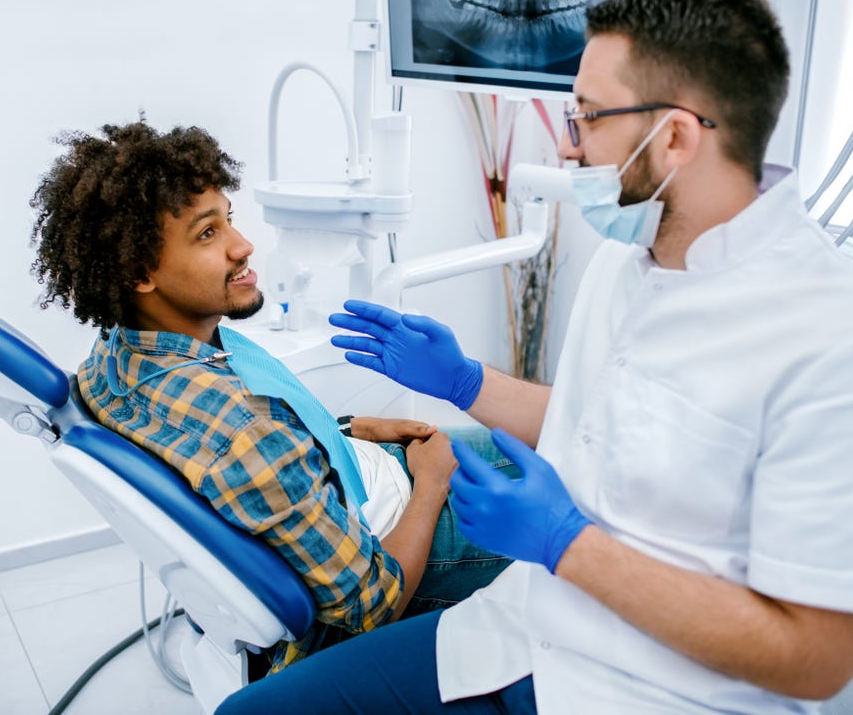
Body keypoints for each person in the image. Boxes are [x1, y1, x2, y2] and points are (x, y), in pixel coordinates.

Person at [214, 0, 853, 713]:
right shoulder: (626, 257)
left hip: (661, 692)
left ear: (675, 137)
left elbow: (814, 658)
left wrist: (565, 543)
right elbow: (598, 421)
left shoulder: (844, 344)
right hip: (518, 630)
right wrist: (462, 379)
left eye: (586, 118)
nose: (566, 143)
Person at [28, 119, 512, 674]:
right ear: (139, 272)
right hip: (403, 538)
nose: (243, 244)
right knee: (585, 503)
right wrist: (431, 482)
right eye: (207, 234)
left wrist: (349, 430)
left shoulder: (116, 357)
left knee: (552, 448)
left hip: (360, 475)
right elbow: (374, 607)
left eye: (228, 220)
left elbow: (271, 458)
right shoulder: (244, 432)